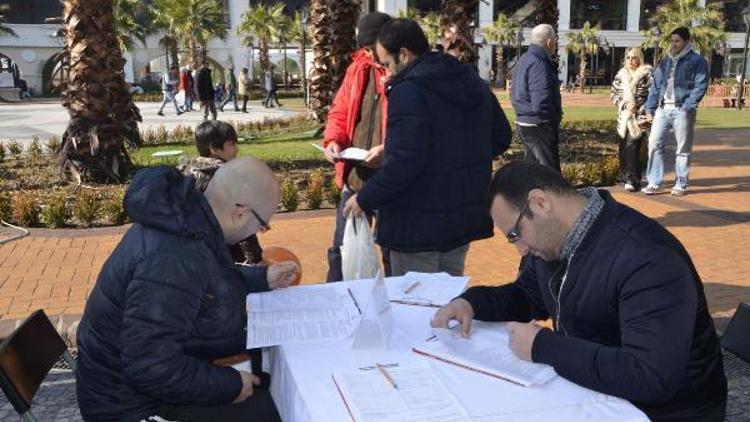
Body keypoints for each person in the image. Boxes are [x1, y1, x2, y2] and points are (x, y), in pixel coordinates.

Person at [432, 161, 727, 421]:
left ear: (540, 203)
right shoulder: (553, 245)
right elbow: (527, 296)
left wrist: (543, 347)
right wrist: (472, 303)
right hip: (600, 393)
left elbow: (649, 376)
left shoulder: (647, 258)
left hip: (669, 412)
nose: (520, 248)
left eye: (514, 235)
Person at [76, 157, 298, 422]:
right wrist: (230, 385)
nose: (259, 232)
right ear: (240, 213)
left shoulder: (189, 220)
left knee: (268, 395)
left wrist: (263, 278)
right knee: (270, 412)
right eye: (263, 224)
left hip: (136, 385)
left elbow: (205, 280)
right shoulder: (175, 255)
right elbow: (150, 367)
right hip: (128, 406)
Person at [344, 19, 512, 276]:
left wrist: (365, 198)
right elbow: (500, 137)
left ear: (404, 54)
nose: (386, 73)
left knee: (418, 308)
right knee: (447, 302)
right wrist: (457, 156)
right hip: (460, 218)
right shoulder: (470, 80)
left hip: (417, 224)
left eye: (387, 64)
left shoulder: (408, 90)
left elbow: (404, 163)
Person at [322, 12, 392, 282]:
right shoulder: (358, 67)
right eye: (365, 49)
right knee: (341, 247)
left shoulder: (401, 70)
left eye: (373, 48)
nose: (371, 55)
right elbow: (340, 111)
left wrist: (388, 149)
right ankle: (336, 298)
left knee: (391, 250)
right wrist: (333, 141)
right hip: (355, 176)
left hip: (390, 180)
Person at [178, 120, 264, 264]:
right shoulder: (226, 177)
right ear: (214, 148)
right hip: (226, 252)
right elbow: (238, 223)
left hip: (192, 252)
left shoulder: (185, 173)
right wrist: (255, 259)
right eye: (231, 144)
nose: (237, 149)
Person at [643, 27, 709, 197]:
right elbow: (656, 85)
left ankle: (680, 183)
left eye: (677, 41)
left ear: (687, 41)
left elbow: (700, 85)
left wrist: (688, 106)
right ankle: (654, 182)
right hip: (663, 109)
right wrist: (650, 108)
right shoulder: (666, 61)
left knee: (682, 149)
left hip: (682, 109)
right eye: (672, 41)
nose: (674, 44)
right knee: (654, 144)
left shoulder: (697, 61)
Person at [510, 24, 563, 172]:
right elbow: (541, 100)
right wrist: (552, 120)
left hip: (525, 121)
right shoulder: (539, 62)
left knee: (533, 172)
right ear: (549, 42)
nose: (555, 43)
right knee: (550, 174)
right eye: (555, 39)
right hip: (538, 124)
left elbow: (513, 93)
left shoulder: (524, 59)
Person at [610, 48, 652, 192]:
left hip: (640, 117)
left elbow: (653, 95)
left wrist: (641, 108)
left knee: (632, 146)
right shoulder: (620, 75)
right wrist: (624, 104)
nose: (630, 60)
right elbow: (614, 94)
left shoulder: (647, 74)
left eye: (634, 57)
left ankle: (632, 179)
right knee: (623, 148)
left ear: (639, 59)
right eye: (628, 57)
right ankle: (626, 176)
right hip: (624, 117)